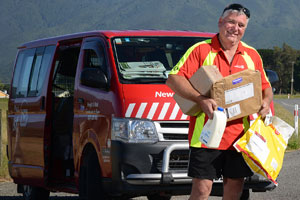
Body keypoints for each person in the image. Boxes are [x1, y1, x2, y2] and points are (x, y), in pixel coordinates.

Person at [166, 3, 273, 200]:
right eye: (231, 22)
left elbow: (266, 87)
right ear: (220, 22)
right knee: (201, 191)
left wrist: (266, 102)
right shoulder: (201, 50)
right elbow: (174, 79)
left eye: (241, 25)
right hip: (207, 136)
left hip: (240, 138)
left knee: (234, 191)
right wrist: (201, 99)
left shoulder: (252, 55)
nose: (235, 28)